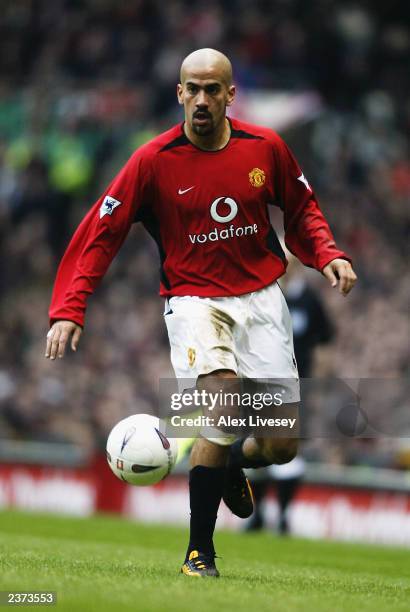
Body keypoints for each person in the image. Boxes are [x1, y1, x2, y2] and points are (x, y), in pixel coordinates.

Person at [45, 48, 357, 578]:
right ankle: (199, 553)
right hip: (193, 299)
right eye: (194, 88)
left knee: (281, 446)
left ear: (231, 95)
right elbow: (101, 233)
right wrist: (68, 307)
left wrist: (327, 252)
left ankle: (231, 460)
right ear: (180, 93)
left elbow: (302, 208)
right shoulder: (151, 162)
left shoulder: (266, 148)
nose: (204, 99)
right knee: (223, 404)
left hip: (262, 299)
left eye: (215, 89)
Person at [246, 255, 335, 534]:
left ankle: (283, 516)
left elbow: (326, 340)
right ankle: (257, 513)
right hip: (260, 382)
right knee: (258, 443)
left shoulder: (309, 300)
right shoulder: (262, 296)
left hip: (296, 385)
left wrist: (316, 383)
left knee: (287, 449)